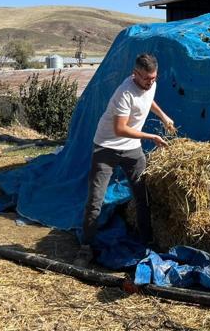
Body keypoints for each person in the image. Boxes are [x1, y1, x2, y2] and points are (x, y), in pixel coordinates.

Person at [74, 53, 174, 267]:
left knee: (142, 196)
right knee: (95, 201)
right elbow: (120, 129)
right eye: (147, 78)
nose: (151, 82)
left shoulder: (150, 85)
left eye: (154, 77)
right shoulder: (124, 93)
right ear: (135, 73)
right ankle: (86, 247)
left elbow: (148, 100)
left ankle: (147, 241)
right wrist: (152, 137)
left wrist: (163, 116)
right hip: (106, 148)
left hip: (132, 150)